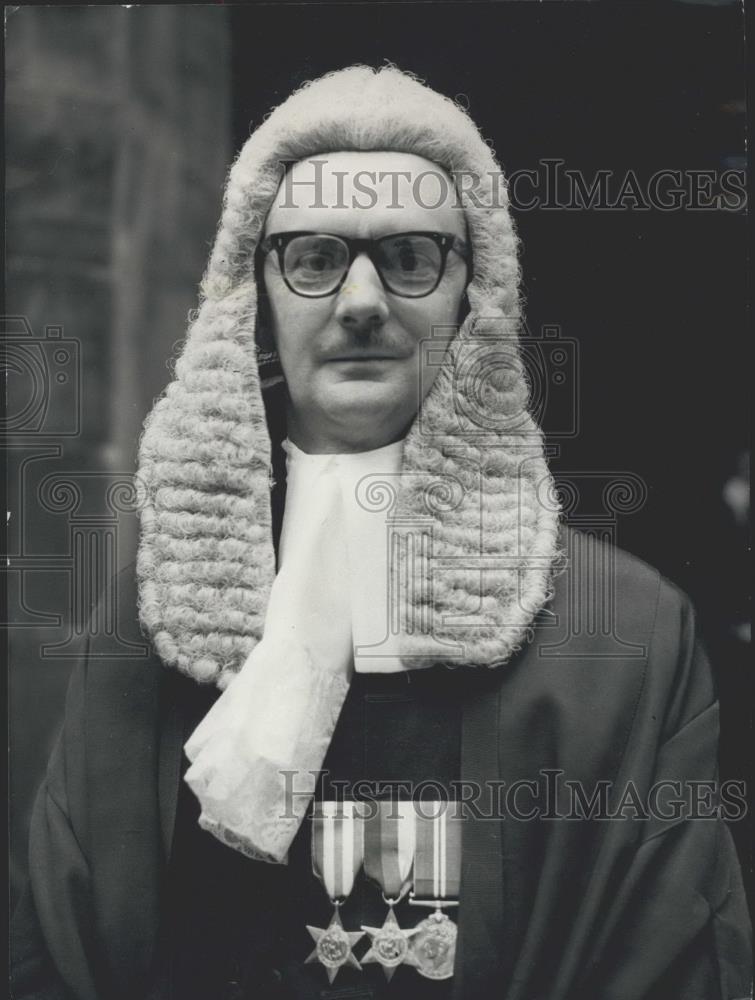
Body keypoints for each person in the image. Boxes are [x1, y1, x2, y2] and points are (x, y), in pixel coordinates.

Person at [11, 65, 751, 1000]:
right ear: (255, 298)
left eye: (409, 257)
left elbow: (677, 965)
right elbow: (51, 953)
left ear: (472, 300)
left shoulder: (633, 637)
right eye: (314, 258)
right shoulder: (144, 621)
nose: (361, 301)